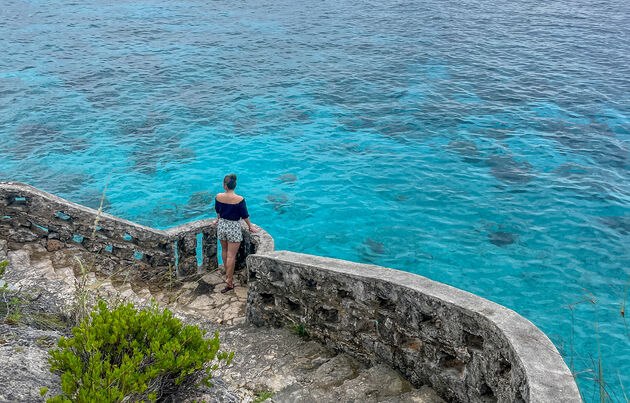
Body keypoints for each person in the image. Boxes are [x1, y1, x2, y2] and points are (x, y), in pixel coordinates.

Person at [214, 173, 257, 293]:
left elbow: (218, 211)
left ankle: (227, 273)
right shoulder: (240, 199)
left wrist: (217, 220)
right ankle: (229, 279)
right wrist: (250, 226)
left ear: (225, 186)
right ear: (234, 185)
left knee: (224, 251)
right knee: (231, 255)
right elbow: (245, 215)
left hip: (222, 225)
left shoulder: (218, 196)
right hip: (233, 227)